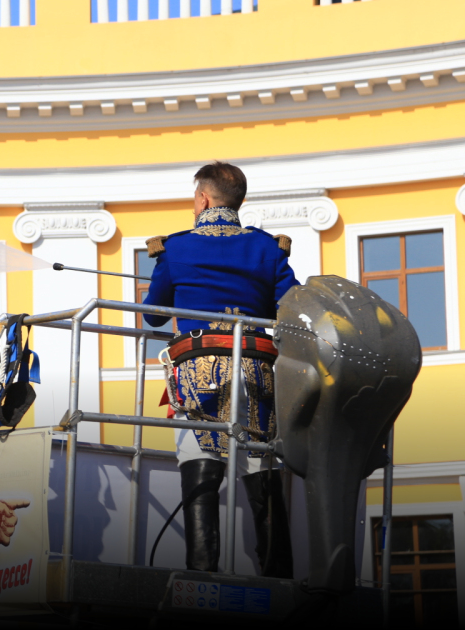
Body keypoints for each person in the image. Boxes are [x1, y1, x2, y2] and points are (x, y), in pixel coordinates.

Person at [142, 161, 298, 578]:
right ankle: (278, 576)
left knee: (201, 470)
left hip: (200, 368)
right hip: (257, 369)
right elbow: (290, 307)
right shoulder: (268, 248)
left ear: (203, 198)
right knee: (262, 470)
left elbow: (154, 316)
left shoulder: (175, 248)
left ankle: (201, 575)